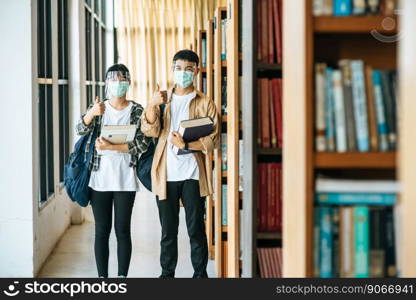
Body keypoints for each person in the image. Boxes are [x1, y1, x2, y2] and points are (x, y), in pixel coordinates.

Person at [141, 50, 219, 278]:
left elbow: (213, 139)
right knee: (168, 231)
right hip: (165, 174)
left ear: (196, 71)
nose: (183, 73)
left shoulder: (205, 102)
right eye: (178, 68)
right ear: (172, 69)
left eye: (188, 69)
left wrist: (186, 145)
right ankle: (167, 275)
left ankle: (200, 275)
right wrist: (152, 105)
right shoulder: (163, 99)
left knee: (196, 229)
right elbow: (149, 130)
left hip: (193, 174)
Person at [76, 64, 151, 278]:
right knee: (101, 231)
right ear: (107, 82)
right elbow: (79, 130)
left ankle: (121, 278)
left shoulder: (136, 110)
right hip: (99, 178)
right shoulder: (99, 108)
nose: (118, 83)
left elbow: (142, 144)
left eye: (122, 79)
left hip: (125, 178)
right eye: (114, 79)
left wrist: (112, 148)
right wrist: (91, 113)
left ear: (129, 82)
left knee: (123, 230)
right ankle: (102, 278)